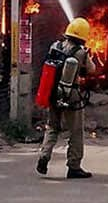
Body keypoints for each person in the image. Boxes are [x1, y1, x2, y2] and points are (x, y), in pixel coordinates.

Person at [36, 16, 96, 179]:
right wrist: (86, 57)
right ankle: (74, 166)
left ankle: (44, 156)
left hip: (53, 93)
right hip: (71, 96)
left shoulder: (55, 46)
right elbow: (92, 70)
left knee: (52, 127)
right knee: (75, 131)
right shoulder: (80, 53)